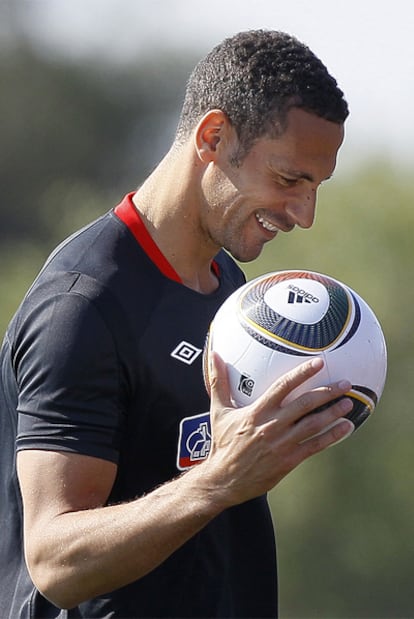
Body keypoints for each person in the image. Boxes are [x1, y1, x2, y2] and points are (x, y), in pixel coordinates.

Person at [0, 29, 353, 618]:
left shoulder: (235, 294)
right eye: (290, 180)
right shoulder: (82, 306)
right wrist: (219, 478)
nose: (304, 215)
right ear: (214, 137)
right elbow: (54, 563)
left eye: (316, 187)